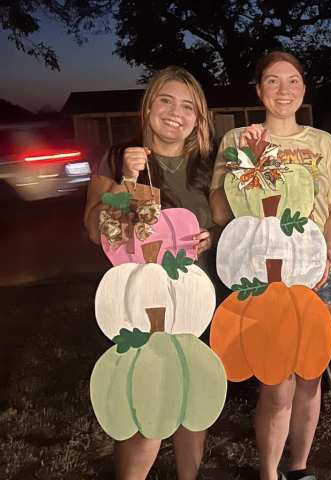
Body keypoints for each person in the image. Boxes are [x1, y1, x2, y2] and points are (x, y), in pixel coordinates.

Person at [209, 51, 331, 480]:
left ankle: (300, 467)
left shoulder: (322, 142)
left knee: (308, 374)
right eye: (272, 81)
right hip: (264, 273)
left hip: (316, 272)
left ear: (304, 88)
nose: (283, 90)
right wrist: (246, 164)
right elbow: (219, 210)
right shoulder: (237, 141)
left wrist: (324, 248)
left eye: (292, 81)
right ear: (259, 90)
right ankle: (269, 472)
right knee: (276, 378)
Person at [83, 66, 216, 479]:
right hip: (137, 304)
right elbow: (93, 227)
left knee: (191, 406)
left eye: (188, 106)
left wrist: (211, 235)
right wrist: (126, 180)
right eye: (166, 100)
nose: (176, 112)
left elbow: (222, 220)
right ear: (149, 106)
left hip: (191, 302)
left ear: (199, 118)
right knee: (144, 409)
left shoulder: (207, 165)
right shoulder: (117, 156)